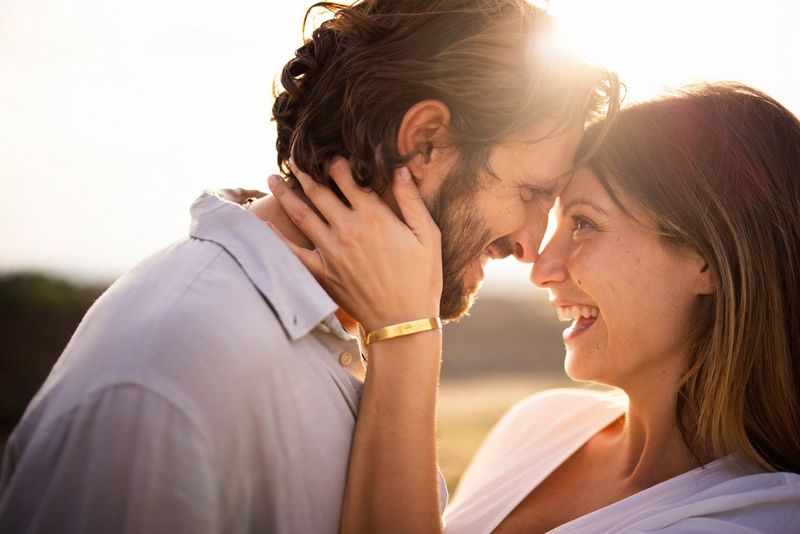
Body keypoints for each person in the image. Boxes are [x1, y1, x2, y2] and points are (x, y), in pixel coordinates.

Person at [0, 1, 618, 533]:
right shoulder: (165, 378)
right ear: (424, 143)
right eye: (534, 193)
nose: (533, 246)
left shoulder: (337, 331)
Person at [268, 82, 800, 532]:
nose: (541, 266)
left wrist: (405, 333)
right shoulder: (542, 424)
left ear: (707, 260)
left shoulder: (754, 518)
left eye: (585, 223)